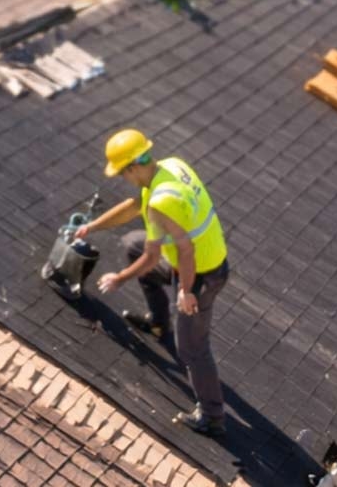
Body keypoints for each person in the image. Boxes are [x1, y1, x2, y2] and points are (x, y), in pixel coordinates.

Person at [70, 128, 230, 438]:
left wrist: (122, 279)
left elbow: (171, 253)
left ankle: (212, 416)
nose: (123, 178)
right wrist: (92, 227)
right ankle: (159, 323)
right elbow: (133, 207)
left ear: (131, 167)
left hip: (201, 274)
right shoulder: (169, 166)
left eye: (121, 173)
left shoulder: (162, 201)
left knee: (192, 349)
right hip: (190, 260)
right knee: (132, 243)